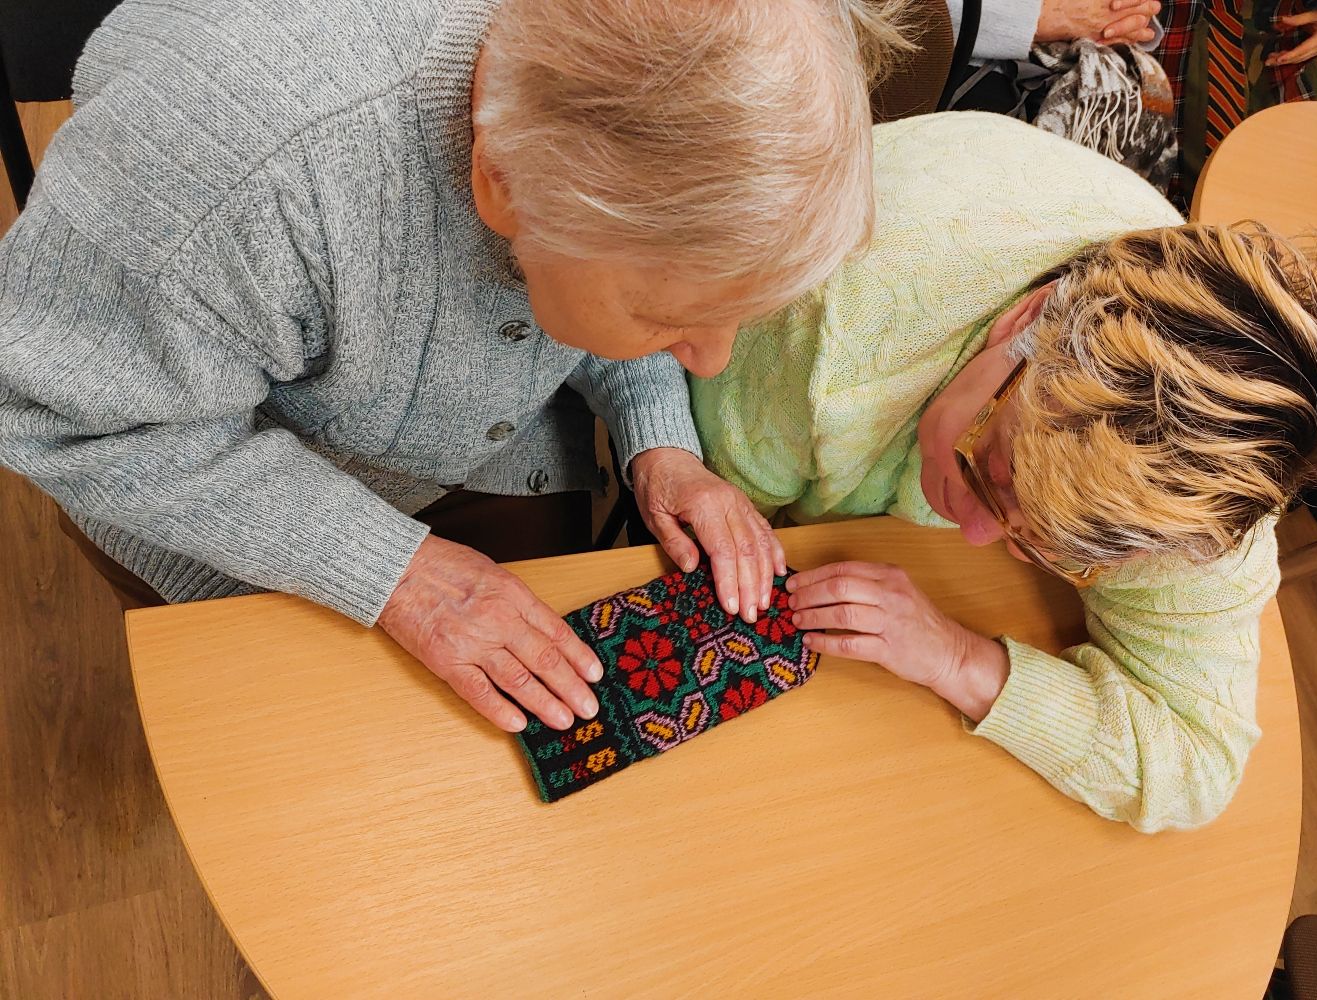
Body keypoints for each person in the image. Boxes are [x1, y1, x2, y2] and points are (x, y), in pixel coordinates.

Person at [0, 0, 907, 734]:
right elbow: (64, 416)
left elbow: (616, 257)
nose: (712, 360)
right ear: (502, 182)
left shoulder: (568, 112)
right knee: (329, 768)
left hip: (463, 442)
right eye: (667, 318)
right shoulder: (224, 167)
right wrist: (398, 573)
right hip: (193, 474)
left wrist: (659, 442)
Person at [691, 111, 1317, 832]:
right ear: (1024, 322)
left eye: (1035, 542)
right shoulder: (829, 309)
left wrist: (960, 660)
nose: (969, 531)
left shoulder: (1203, 470)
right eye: (990, 472)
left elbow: (1194, 764)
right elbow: (707, 510)